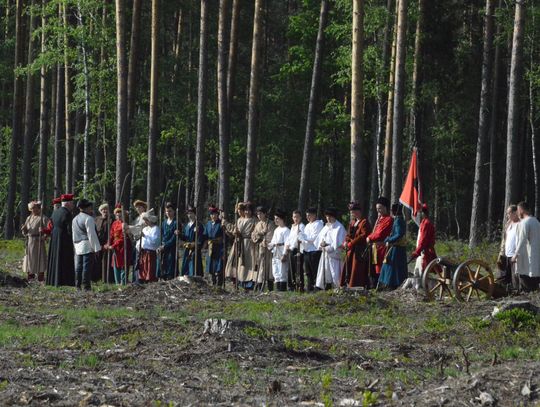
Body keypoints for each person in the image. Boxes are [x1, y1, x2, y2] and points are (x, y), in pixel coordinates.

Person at [222, 202, 257, 287]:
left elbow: (256, 232)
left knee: (248, 263)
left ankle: (249, 283)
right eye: (245, 210)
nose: (247, 212)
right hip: (238, 243)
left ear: (252, 211)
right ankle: (237, 281)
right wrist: (235, 232)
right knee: (237, 262)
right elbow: (234, 230)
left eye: (249, 210)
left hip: (248, 244)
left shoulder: (254, 221)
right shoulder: (239, 220)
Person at [47, 194, 76, 287]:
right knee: (64, 259)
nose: (73, 205)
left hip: (55, 237)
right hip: (64, 239)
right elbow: (69, 229)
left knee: (55, 258)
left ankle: (53, 280)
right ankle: (65, 281)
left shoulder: (55, 212)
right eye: (72, 203)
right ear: (68, 204)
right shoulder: (67, 214)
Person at [72, 199, 102, 291]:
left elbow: (74, 234)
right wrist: (96, 248)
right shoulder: (88, 218)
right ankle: (86, 286)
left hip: (78, 245)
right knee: (86, 267)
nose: (90, 209)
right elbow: (91, 234)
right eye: (89, 207)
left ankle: (77, 285)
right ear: (86, 208)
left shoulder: (75, 219)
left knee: (78, 266)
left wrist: (75, 244)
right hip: (87, 244)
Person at [340, 202, 371, 289]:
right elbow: (349, 234)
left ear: (358, 211)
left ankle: (356, 286)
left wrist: (351, 243)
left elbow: (363, 235)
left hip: (360, 250)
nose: (352, 214)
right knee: (348, 266)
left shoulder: (364, 222)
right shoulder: (353, 222)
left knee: (356, 268)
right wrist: (345, 242)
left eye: (353, 211)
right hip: (351, 250)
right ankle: (346, 284)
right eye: (351, 212)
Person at [378, 203, 408, 290]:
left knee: (392, 267)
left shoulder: (398, 220)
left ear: (394, 211)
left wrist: (389, 239)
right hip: (397, 248)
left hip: (397, 248)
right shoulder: (399, 219)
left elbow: (399, 234)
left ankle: (392, 285)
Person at [315, 208, 346, 290]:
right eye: (327, 216)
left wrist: (329, 247)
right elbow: (319, 239)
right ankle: (326, 287)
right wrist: (321, 244)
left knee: (334, 272)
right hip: (325, 253)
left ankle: (337, 288)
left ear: (334, 216)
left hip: (334, 255)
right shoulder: (326, 227)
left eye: (330, 216)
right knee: (325, 271)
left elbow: (339, 242)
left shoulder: (339, 227)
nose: (328, 218)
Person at [512, 201, 540, 292]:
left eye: (518, 210)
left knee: (526, 278)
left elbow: (522, 240)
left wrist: (515, 254)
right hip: (535, 256)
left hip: (527, 258)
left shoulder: (525, 222)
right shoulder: (536, 221)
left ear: (521, 210)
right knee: (534, 277)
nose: (517, 213)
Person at [366, 197, 393, 288]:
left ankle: (381, 286)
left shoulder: (389, 219)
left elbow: (379, 234)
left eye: (380, 208)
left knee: (380, 267)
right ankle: (374, 285)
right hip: (375, 248)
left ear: (385, 208)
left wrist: (369, 237)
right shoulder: (379, 219)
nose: (378, 211)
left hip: (382, 247)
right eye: (377, 209)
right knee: (374, 268)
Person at [410, 203, 437, 290]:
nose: (418, 214)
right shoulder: (423, 223)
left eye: (420, 212)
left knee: (423, 273)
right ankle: (418, 288)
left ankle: (424, 290)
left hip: (425, 252)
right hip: (421, 251)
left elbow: (423, 241)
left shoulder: (426, 224)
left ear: (423, 213)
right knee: (417, 273)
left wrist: (416, 252)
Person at [21, 201, 49, 282]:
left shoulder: (43, 218)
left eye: (34, 208)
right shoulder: (29, 218)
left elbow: (49, 229)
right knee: (29, 259)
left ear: (38, 208)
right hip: (30, 241)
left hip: (38, 242)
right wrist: (24, 229)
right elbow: (25, 231)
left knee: (40, 259)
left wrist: (44, 236)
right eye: (32, 208)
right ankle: (31, 276)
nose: (33, 210)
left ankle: (40, 277)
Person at [298, 207, 324, 292]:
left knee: (315, 270)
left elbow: (314, 238)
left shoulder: (318, 224)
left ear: (314, 215)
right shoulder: (308, 225)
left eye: (309, 215)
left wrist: (304, 237)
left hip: (314, 250)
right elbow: (304, 237)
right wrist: (301, 238)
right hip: (307, 250)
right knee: (308, 271)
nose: (307, 217)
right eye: (306, 216)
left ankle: (317, 287)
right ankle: (309, 287)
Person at [105, 206, 132, 285]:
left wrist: (113, 245)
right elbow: (111, 235)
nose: (118, 216)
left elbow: (123, 238)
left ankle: (123, 282)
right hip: (115, 247)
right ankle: (117, 283)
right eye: (117, 215)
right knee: (116, 264)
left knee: (124, 264)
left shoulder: (125, 224)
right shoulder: (114, 223)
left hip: (124, 247)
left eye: (120, 215)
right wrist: (108, 243)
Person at [251, 206, 276, 290]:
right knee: (260, 267)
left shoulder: (270, 223)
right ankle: (259, 285)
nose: (259, 216)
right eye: (258, 214)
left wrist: (263, 239)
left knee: (268, 268)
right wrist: (261, 234)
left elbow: (270, 237)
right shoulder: (258, 224)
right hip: (259, 249)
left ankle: (270, 286)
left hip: (268, 250)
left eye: (261, 213)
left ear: (265, 214)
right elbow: (253, 235)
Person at [497, 205, 520, 290]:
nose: (507, 215)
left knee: (514, 277)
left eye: (509, 213)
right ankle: (504, 290)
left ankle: (516, 291)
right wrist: (501, 252)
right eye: (507, 213)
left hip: (515, 254)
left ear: (515, 213)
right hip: (506, 254)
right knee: (504, 276)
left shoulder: (520, 224)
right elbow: (504, 240)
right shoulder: (508, 224)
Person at [269, 209, 290, 292]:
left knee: (282, 270)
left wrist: (284, 254)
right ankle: (277, 289)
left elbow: (287, 243)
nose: (275, 220)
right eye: (275, 218)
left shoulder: (286, 230)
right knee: (276, 270)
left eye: (277, 218)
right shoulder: (276, 230)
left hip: (281, 251)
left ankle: (282, 289)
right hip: (275, 252)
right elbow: (273, 242)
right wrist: (268, 245)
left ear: (282, 219)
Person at [126, 200, 148, 283]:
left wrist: (130, 228)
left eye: (140, 207)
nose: (138, 209)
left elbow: (140, 227)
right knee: (136, 260)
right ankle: (135, 278)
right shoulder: (138, 217)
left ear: (143, 207)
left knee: (139, 260)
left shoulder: (145, 215)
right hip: (136, 241)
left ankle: (139, 279)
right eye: (137, 207)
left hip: (142, 240)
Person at [180, 205, 204, 277]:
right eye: (188, 213)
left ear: (194, 214)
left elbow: (200, 239)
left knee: (194, 265)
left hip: (195, 250)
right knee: (186, 265)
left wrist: (195, 244)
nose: (189, 215)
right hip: (187, 249)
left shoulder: (199, 225)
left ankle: (194, 278)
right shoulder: (187, 225)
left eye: (191, 213)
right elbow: (185, 237)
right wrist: (179, 234)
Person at [137, 209, 160, 283]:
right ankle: (143, 280)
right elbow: (141, 241)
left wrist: (145, 236)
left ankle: (150, 281)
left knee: (150, 268)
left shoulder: (156, 229)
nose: (145, 222)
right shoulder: (144, 229)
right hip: (143, 252)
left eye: (146, 220)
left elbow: (154, 242)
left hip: (151, 252)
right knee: (143, 268)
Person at [204, 205, 224, 286]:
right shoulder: (208, 224)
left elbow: (224, 237)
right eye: (212, 214)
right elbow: (205, 235)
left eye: (215, 214)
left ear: (217, 214)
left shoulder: (220, 224)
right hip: (211, 247)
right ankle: (213, 282)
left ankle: (219, 284)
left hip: (219, 248)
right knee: (211, 265)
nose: (213, 216)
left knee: (218, 266)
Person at [285, 210, 305, 291]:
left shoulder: (302, 226)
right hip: (291, 249)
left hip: (298, 249)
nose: (295, 218)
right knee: (291, 268)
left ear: (300, 217)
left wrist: (296, 247)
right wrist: (287, 245)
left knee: (298, 269)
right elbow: (290, 238)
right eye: (294, 217)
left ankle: (300, 285)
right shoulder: (293, 227)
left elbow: (300, 238)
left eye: (297, 217)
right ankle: (291, 285)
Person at [157, 202, 178, 280]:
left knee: (170, 264)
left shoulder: (176, 222)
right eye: (166, 211)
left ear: (173, 211)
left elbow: (174, 238)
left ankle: (170, 278)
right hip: (163, 247)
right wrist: (161, 245)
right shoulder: (163, 223)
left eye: (170, 211)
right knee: (163, 264)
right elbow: (162, 235)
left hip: (172, 248)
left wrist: (165, 245)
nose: (168, 213)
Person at [94, 203, 112, 282]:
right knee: (96, 261)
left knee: (105, 261)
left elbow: (112, 233)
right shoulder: (96, 219)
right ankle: (96, 278)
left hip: (107, 243)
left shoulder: (111, 220)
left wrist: (108, 243)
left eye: (106, 209)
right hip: (97, 243)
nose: (105, 211)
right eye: (103, 209)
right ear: (100, 211)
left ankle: (106, 279)